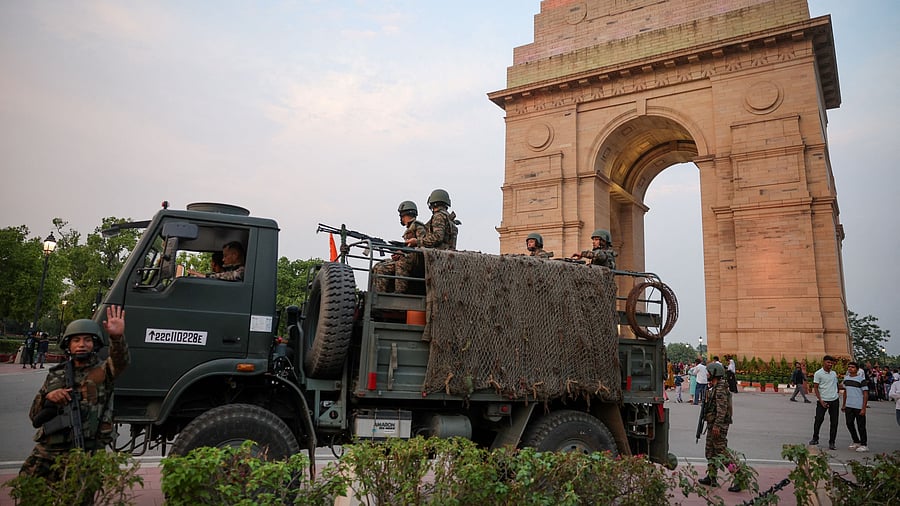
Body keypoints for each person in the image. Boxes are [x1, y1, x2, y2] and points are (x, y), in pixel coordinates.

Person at [20, 305, 130, 482]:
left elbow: (121, 361)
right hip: (49, 450)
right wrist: (48, 397)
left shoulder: (103, 372)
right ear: (68, 345)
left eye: (87, 340)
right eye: (76, 340)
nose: (81, 345)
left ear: (94, 344)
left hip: (86, 450)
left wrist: (117, 338)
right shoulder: (56, 374)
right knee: (28, 488)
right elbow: (34, 417)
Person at [698, 362, 741, 492]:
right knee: (710, 451)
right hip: (713, 424)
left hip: (718, 425)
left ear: (715, 373)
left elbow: (721, 410)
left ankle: (739, 477)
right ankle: (711, 477)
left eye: (709, 372)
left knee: (722, 453)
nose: (707, 374)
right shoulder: (715, 387)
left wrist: (717, 425)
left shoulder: (721, 389)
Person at [373, 201, 427, 293]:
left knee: (384, 268)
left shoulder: (418, 227)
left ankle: (397, 292)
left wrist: (403, 253)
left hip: (414, 262)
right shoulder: (411, 227)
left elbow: (422, 246)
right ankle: (377, 293)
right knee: (378, 266)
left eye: (401, 215)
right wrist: (399, 253)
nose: (400, 218)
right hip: (409, 258)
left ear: (405, 215)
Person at [809, 355, 840, 450]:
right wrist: (821, 400)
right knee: (818, 420)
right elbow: (816, 387)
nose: (830, 364)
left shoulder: (834, 373)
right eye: (828, 362)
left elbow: (836, 385)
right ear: (823, 362)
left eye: (831, 363)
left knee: (834, 422)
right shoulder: (818, 373)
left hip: (834, 400)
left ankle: (832, 442)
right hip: (823, 400)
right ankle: (815, 438)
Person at [841, 361, 868, 452]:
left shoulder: (861, 380)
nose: (850, 368)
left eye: (852, 367)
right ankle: (856, 441)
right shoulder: (846, 378)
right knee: (849, 423)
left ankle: (864, 444)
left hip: (858, 405)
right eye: (849, 367)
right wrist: (844, 404)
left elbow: (865, 394)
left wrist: (863, 408)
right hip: (849, 405)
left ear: (857, 369)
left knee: (861, 425)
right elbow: (845, 392)